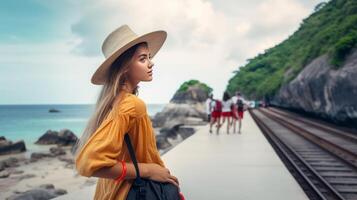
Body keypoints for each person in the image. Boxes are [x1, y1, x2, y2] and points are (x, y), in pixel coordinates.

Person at [74, 25, 182, 200]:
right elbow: (89, 163)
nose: (151, 62)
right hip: (130, 193)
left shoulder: (115, 100)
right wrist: (149, 170)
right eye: (142, 58)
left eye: (149, 57)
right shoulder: (131, 105)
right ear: (124, 68)